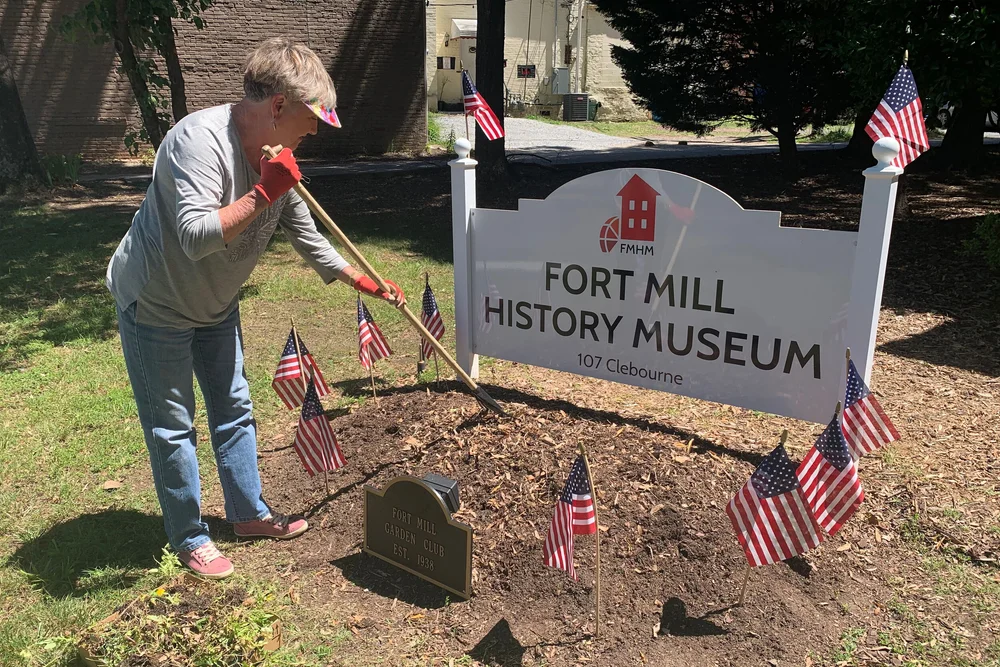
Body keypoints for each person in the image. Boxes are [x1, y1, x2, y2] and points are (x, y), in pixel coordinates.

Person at [106, 37, 403, 579]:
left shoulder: (277, 157)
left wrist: (358, 278)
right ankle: (190, 536)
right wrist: (265, 192)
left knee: (234, 408)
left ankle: (247, 514)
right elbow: (197, 236)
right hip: (158, 302)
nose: (314, 132)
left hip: (217, 303)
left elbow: (307, 235)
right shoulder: (195, 142)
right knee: (173, 427)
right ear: (279, 107)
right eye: (311, 119)